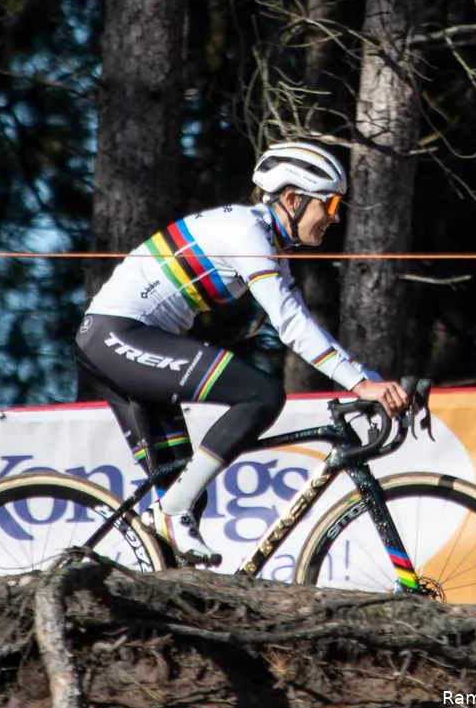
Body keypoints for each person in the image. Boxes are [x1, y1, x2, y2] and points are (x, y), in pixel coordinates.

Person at [74, 140, 411, 566]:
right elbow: (291, 325)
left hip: (117, 340)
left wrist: (364, 378)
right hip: (117, 336)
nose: (335, 216)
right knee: (261, 395)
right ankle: (169, 512)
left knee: (183, 492)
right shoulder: (247, 231)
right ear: (292, 198)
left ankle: (158, 587)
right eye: (328, 204)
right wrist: (363, 383)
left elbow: (299, 323)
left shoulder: (265, 241)